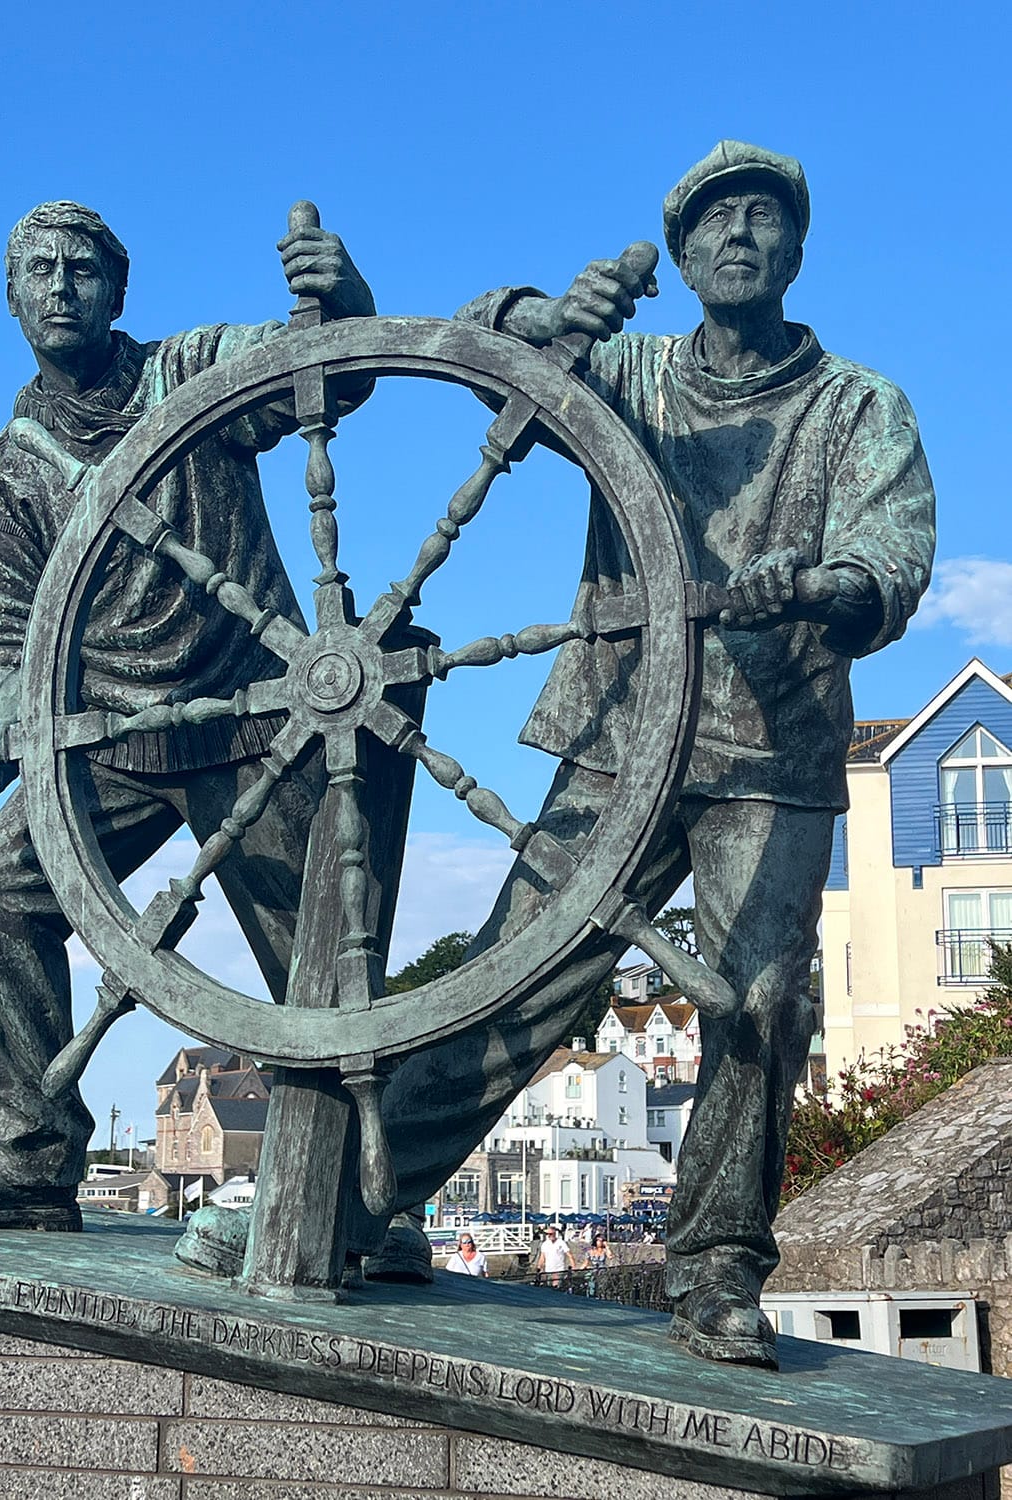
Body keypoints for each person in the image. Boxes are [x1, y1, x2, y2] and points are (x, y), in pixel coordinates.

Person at [443, 140, 935, 1367]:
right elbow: (476, 350)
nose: (740, 236)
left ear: (796, 249)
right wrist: (543, 316)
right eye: (715, 221)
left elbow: (894, 560)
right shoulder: (627, 374)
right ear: (679, 253)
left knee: (761, 1002)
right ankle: (376, 1198)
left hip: (773, 746)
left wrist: (825, 585)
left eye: (765, 218)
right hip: (622, 727)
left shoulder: (859, 407)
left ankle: (718, 1268)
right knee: (515, 973)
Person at [0, 200, 376, 1232]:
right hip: (111, 747)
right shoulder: (5, 476)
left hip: (258, 724)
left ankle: (373, 1201)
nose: (62, 286)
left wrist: (343, 293)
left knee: (329, 966)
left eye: (82, 269)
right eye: (40, 269)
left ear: (118, 293)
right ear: (14, 296)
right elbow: (5, 642)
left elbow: (330, 366)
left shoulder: (192, 371)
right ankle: (29, 1159)